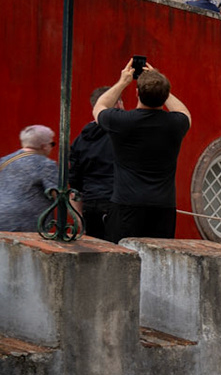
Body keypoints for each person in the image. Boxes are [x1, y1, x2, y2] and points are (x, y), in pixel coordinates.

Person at [93, 62, 190, 242]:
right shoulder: (175, 124)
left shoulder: (122, 121)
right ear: (165, 95)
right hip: (163, 207)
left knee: (123, 254)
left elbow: (99, 106)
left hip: (126, 204)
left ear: (137, 93)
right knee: (160, 256)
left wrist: (122, 82)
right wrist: (160, 87)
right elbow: (183, 111)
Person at [67, 91, 119, 239]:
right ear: (118, 104)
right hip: (116, 201)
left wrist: (78, 217)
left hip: (90, 202)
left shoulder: (81, 139)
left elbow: (75, 181)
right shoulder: (121, 135)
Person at [0, 126, 59, 234]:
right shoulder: (45, 164)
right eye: (52, 144)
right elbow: (59, 194)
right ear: (44, 146)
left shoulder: (4, 161)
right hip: (28, 221)